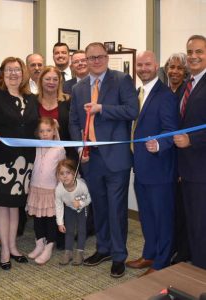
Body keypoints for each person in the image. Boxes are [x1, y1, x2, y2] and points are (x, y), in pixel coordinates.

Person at [69, 42, 138, 278]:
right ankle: (104, 248)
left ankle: (119, 255)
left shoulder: (121, 80)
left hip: (116, 158)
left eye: (99, 57)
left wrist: (102, 108)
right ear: (85, 61)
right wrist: (80, 147)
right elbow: (74, 121)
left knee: (116, 208)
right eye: (91, 58)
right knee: (98, 207)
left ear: (107, 58)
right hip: (91, 158)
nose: (95, 61)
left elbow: (132, 111)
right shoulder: (78, 89)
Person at [0, 57, 38, 270]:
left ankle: (13, 246)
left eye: (17, 70)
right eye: (9, 70)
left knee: (16, 207)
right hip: (2, 162)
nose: (14, 74)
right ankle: (5, 249)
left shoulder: (31, 98)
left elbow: (34, 128)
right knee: (3, 207)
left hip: (25, 163)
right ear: (2, 73)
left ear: (23, 73)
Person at [126, 51, 178, 276]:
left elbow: (171, 130)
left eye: (147, 64)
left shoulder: (165, 95)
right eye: (140, 64)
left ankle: (161, 262)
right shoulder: (138, 93)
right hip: (141, 167)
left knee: (162, 217)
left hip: (159, 168)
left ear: (157, 66)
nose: (143, 68)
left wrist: (159, 145)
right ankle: (149, 254)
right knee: (147, 215)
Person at [174, 35, 206, 270]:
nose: (193, 56)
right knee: (192, 222)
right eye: (190, 52)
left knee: (201, 224)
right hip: (187, 168)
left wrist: (192, 140)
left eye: (199, 52)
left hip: (202, 168)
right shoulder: (188, 84)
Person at [36, 65, 76, 249]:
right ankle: (43, 236)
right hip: (40, 157)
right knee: (44, 196)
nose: (51, 82)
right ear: (41, 81)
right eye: (47, 79)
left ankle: (60, 236)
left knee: (62, 196)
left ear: (60, 82)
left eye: (55, 79)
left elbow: (74, 126)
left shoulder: (67, 101)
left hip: (63, 157)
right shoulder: (32, 101)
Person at [27, 117, 66, 265]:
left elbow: (62, 170)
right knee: (38, 218)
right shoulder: (36, 146)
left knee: (50, 220)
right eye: (42, 131)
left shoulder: (59, 149)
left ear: (54, 132)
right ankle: (39, 243)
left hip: (51, 191)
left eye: (48, 131)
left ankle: (50, 245)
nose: (45, 134)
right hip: (36, 188)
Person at [165, 53, 191, 265]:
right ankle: (171, 246)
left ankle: (183, 252)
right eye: (171, 67)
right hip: (165, 159)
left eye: (178, 68)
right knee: (169, 208)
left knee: (182, 209)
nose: (174, 71)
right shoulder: (163, 92)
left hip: (183, 158)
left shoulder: (187, 92)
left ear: (185, 72)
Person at [55, 159, 91, 266]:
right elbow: (59, 205)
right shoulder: (59, 189)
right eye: (62, 173)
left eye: (68, 173)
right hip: (69, 208)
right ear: (58, 175)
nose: (65, 176)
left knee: (81, 230)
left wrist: (80, 202)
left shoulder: (81, 185)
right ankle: (68, 252)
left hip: (82, 208)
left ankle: (80, 252)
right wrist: (60, 223)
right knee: (69, 230)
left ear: (75, 173)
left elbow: (88, 198)